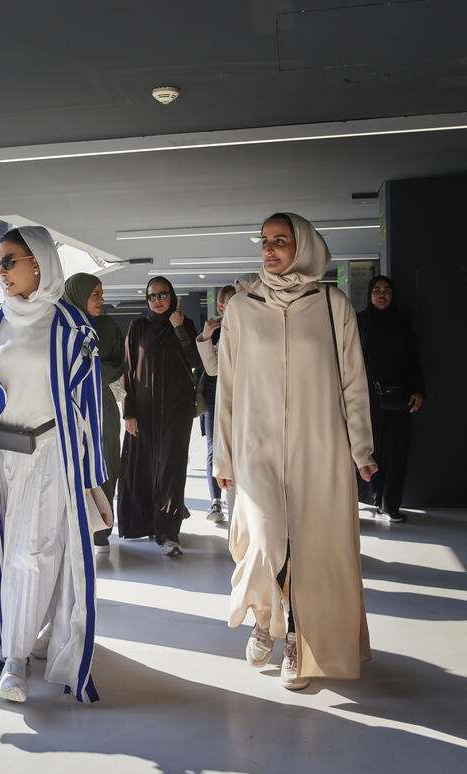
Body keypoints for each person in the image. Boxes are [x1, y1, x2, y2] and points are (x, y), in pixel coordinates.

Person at [214, 212, 377, 691]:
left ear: (302, 246)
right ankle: (265, 617)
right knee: (265, 541)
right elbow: (227, 386)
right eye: (264, 240)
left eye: (280, 240)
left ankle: (293, 638)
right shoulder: (242, 308)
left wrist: (362, 448)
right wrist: (223, 456)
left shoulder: (332, 304)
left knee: (311, 549)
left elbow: (353, 381)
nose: (269, 249)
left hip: (319, 447)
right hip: (256, 447)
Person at [0, 226, 105, 704]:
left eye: (9, 261)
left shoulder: (72, 326)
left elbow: (90, 403)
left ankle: (15, 658)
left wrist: (92, 475)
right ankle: (21, 635)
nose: (1, 271)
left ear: (38, 262)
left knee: (33, 553)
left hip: (49, 455)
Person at [117, 276, 201, 556]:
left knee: (171, 469)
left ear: (172, 295)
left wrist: (179, 329)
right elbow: (128, 371)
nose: (157, 300)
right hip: (143, 411)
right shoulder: (138, 327)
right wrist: (128, 412)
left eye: (163, 294)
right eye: (152, 296)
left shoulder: (185, 324)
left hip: (177, 411)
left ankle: (169, 533)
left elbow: (195, 361)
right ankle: (145, 523)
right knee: (143, 467)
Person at [63, 272, 125, 554]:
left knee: (106, 464)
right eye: (95, 294)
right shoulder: (61, 327)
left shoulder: (108, 327)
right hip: (71, 409)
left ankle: (101, 530)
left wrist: (87, 369)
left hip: (103, 407)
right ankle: (76, 532)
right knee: (75, 466)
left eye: (102, 293)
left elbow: (118, 365)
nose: (101, 300)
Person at [357, 274, 425, 522]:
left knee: (396, 452)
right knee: (367, 450)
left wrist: (418, 390)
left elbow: (413, 358)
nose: (382, 294)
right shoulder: (360, 321)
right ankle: (364, 502)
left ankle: (390, 505)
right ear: (370, 294)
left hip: (399, 398)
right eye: (377, 290)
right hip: (366, 398)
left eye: (386, 290)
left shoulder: (402, 322)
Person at [196, 284, 236, 525]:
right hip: (213, 393)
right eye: (230, 301)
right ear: (221, 306)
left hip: (238, 393)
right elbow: (212, 369)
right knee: (215, 445)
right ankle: (216, 502)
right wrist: (205, 337)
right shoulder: (216, 330)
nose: (236, 304)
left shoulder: (247, 326)